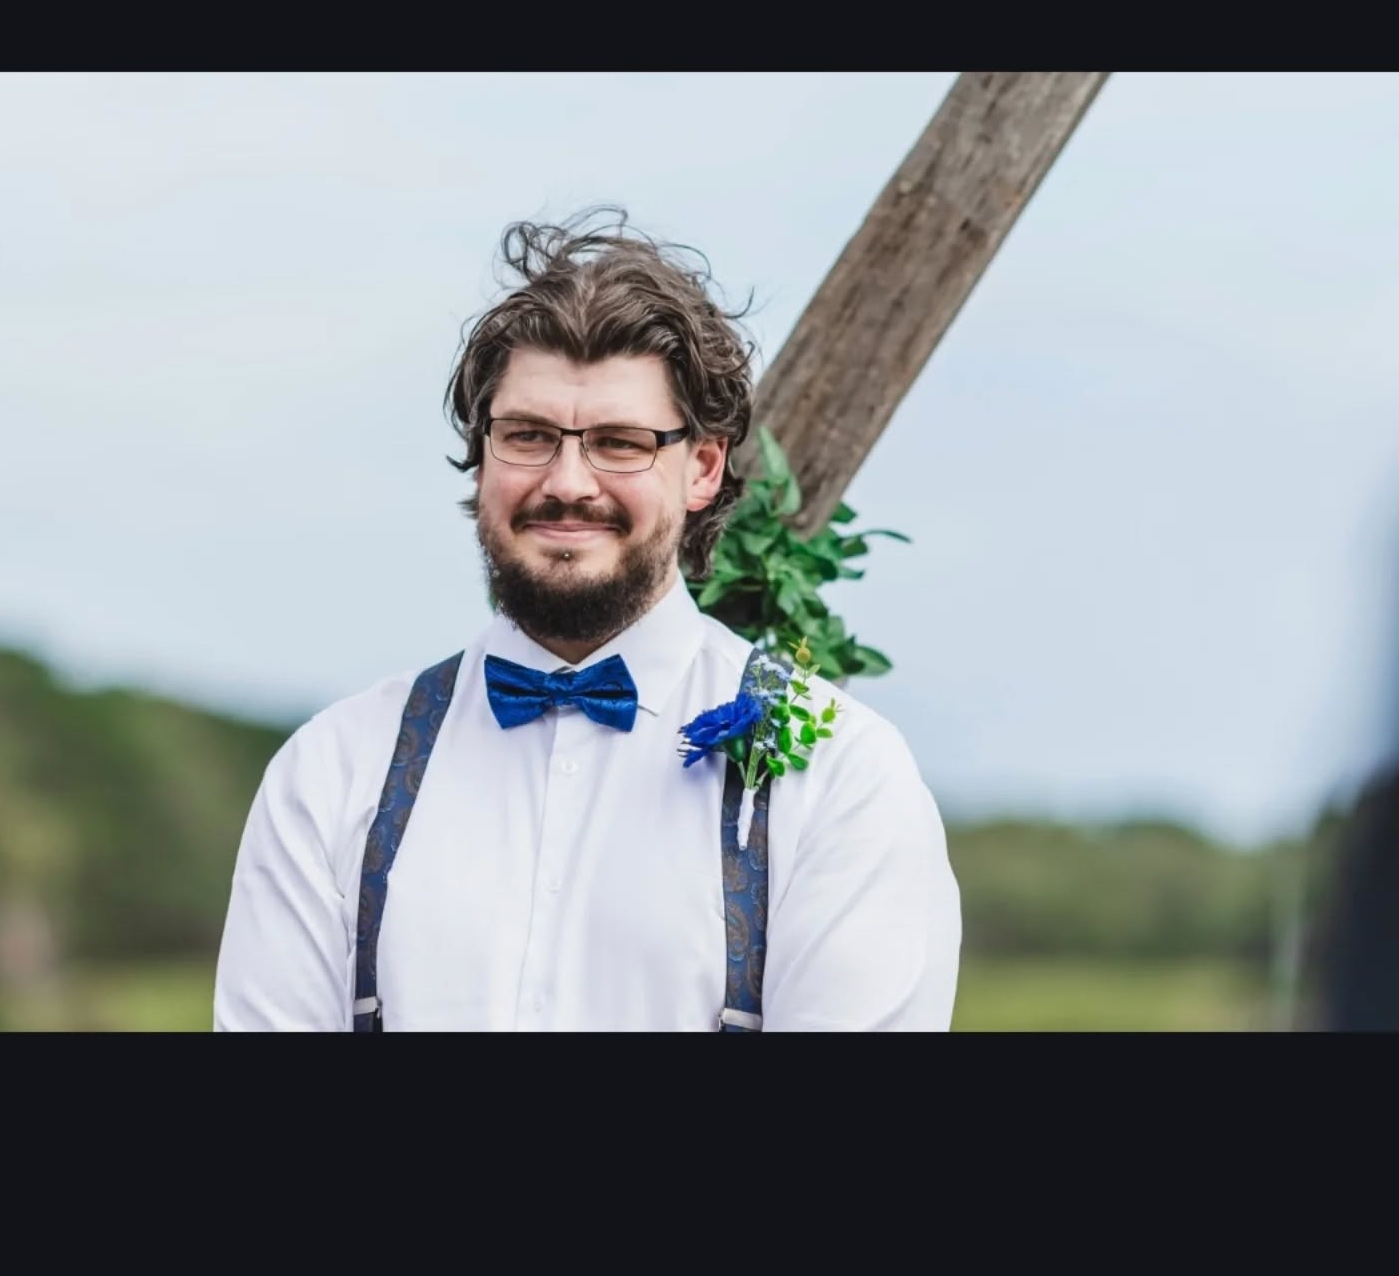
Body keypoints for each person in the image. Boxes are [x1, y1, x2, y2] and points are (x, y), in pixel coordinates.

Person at [213, 210, 961, 1031]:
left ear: (702, 466)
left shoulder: (840, 777)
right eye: (528, 435)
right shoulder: (332, 772)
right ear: (483, 450)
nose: (568, 481)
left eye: (619, 442)